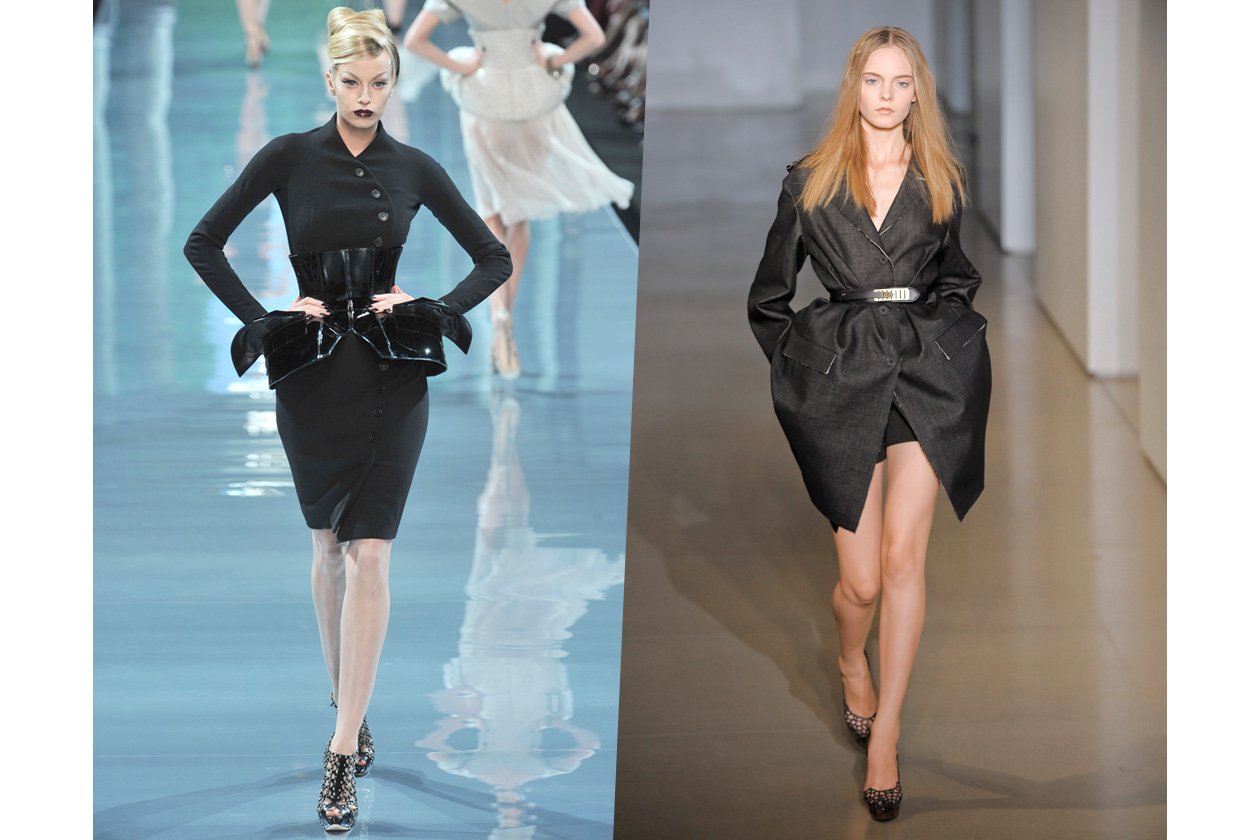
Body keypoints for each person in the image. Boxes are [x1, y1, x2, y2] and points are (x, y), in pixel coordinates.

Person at [184, 7, 512, 831]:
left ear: (395, 83)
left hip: (393, 376)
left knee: (371, 552)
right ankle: (349, 708)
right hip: (313, 376)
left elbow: (495, 255)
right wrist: (265, 318)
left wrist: (435, 307)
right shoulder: (289, 156)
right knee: (329, 548)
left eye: (380, 82)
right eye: (352, 82)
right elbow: (203, 242)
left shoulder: (415, 167)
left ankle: (339, 752)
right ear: (329, 80)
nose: (366, 96)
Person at [747, 26, 991, 823]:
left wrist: (949, 346)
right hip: (843, 382)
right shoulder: (810, 182)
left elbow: (958, 279)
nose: (887, 96)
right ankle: (853, 660)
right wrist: (804, 374)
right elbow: (769, 299)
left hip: (924, 381)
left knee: (903, 560)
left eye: (901, 82)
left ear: (918, 93)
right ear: (854, 86)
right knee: (860, 582)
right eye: (874, 81)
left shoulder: (940, 178)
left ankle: (886, 737)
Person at [403, 0, 634, 379]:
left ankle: (499, 316)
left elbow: (415, 40)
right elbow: (593, 36)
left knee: (492, 209)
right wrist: (557, 60)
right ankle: (506, 313)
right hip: (533, 98)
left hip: (486, 98)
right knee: (519, 213)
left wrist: (461, 66)